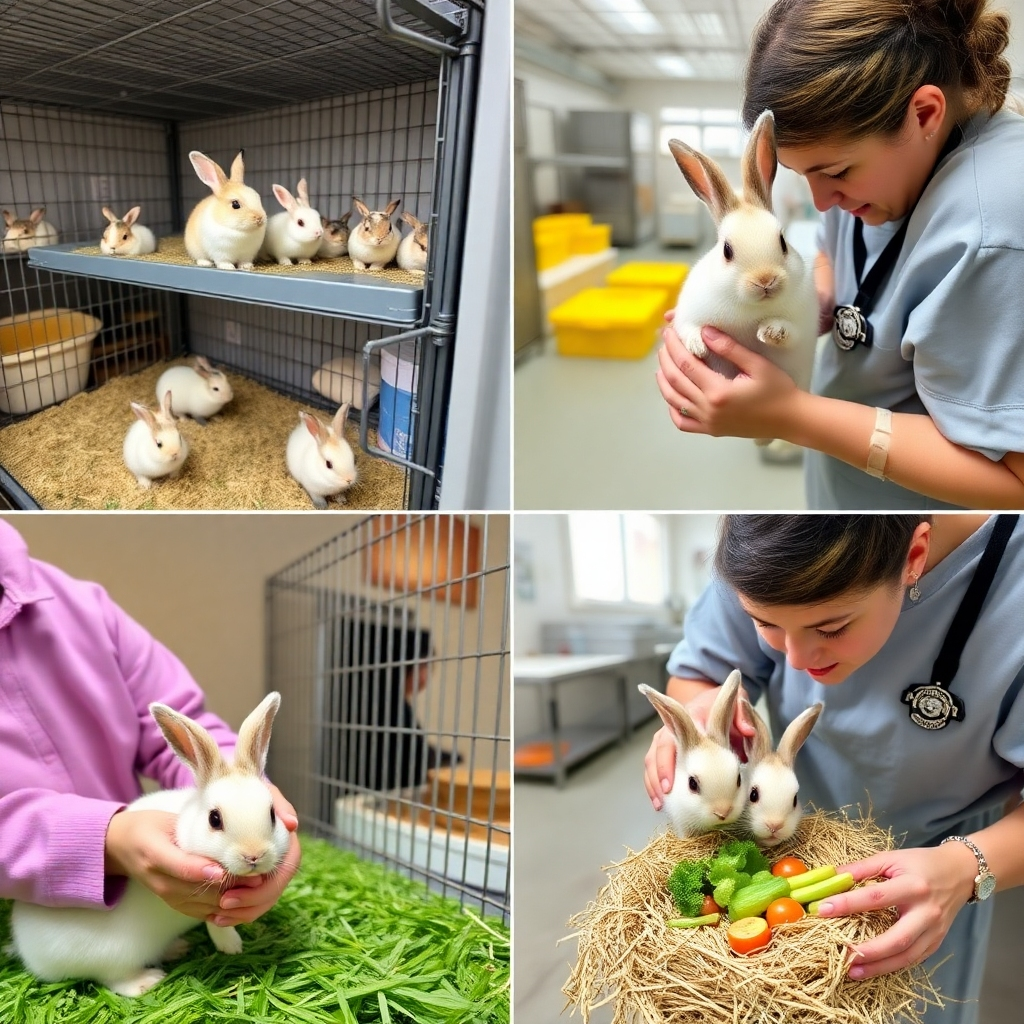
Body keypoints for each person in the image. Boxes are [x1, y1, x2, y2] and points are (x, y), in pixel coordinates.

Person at [643, 515, 1024, 1024]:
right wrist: (700, 717)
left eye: (831, 628)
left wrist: (964, 868)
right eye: (766, 624)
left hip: (935, 869)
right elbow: (701, 670)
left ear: (914, 558)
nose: (797, 660)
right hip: (791, 838)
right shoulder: (761, 537)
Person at [655, 0, 1024, 510]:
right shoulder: (878, 170)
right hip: (843, 491)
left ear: (924, 114)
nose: (822, 202)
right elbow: (835, 249)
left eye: (836, 173)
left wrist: (791, 416)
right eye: (801, 175)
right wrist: (810, 303)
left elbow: (1015, 480)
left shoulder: (994, 224)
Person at [0, 518, 301, 937]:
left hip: (141, 898)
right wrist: (106, 840)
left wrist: (251, 792)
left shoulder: (79, 605)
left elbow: (176, 713)